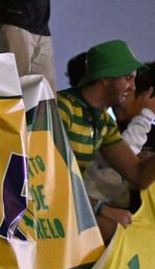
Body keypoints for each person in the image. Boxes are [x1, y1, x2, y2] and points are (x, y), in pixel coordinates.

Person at [57, 41, 155, 243]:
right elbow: (50, 178)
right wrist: (99, 208)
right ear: (105, 78)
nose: (133, 87)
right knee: (114, 233)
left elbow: (138, 175)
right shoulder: (62, 108)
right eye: (128, 78)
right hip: (47, 208)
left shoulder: (103, 122)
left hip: (71, 206)